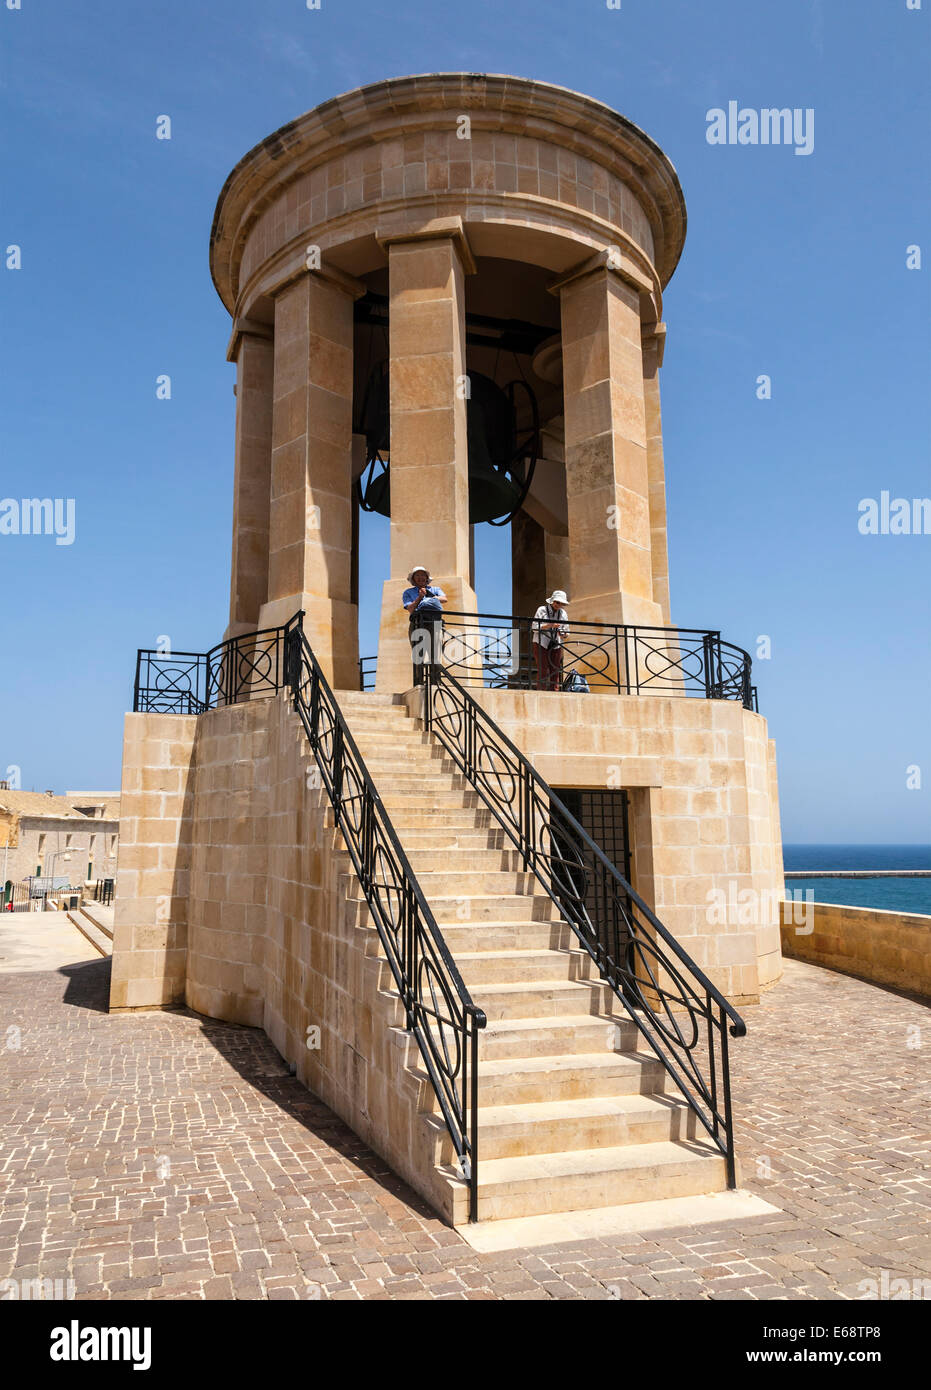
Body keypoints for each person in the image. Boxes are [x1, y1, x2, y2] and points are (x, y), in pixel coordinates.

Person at [403, 566, 447, 686]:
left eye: (423, 575)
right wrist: (420, 597)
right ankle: (419, 682)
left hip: (435, 622)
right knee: (418, 653)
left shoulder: (435, 589)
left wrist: (430, 597)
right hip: (418, 622)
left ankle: (435, 682)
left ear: (427, 578)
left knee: (435, 652)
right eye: (417, 575)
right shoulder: (408, 592)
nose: (421, 577)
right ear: (413, 578)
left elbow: (444, 599)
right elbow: (410, 609)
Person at [532, 589, 570, 690]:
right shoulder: (541, 610)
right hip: (541, 642)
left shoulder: (563, 614)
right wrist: (549, 625)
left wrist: (563, 634)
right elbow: (534, 627)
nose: (559, 605)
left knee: (555, 669)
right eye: (557, 602)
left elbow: (567, 631)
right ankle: (541, 690)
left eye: (561, 603)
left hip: (556, 643)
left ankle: (554, 690)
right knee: (543, 668)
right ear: (552, 601)